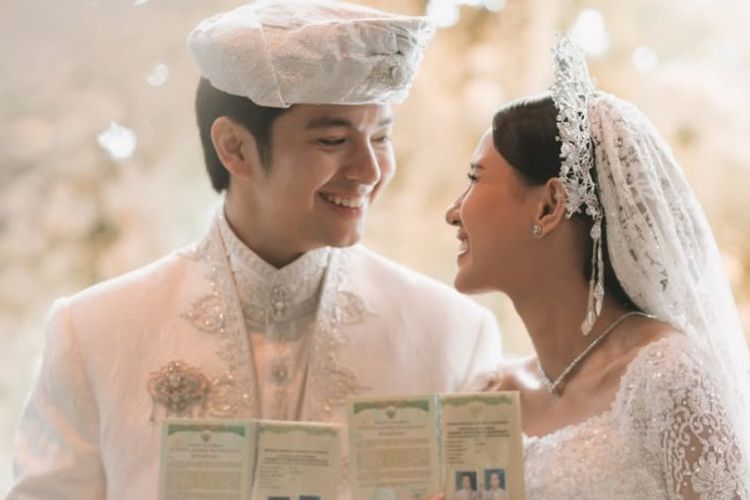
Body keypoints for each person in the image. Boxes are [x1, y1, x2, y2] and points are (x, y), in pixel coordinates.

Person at [8, 2, 502, 499]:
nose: (370, 171)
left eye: (380, 137)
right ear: (235, 147)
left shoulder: (452, 335)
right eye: (334, 139)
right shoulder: (95, 332)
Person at [441, 35, 750, 499]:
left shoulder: (666, 377)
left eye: (474, 179)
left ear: (549, 206)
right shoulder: (488, 395)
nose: (453, 212)